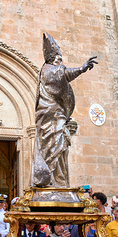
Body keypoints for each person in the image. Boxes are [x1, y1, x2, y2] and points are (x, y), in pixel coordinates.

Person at [31, 33, 97, 188]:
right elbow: (63, 74)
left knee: (60, 147)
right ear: (52, 59)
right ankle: (50, 180)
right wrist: (82, 68)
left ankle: (59, 181)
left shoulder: (51, 70)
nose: (61, 62)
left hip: (57, 115)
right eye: (59, 59)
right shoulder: (47, 69)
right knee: (51, 146)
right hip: (49, 117)